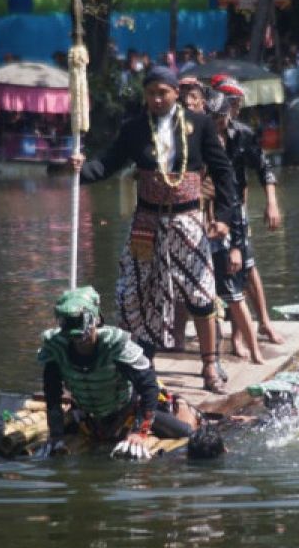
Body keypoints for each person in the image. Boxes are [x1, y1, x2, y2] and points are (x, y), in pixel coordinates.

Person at [69, 66, 242, 394]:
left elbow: (224, 173)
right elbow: (107, 164)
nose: (157, 99)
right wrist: (78, 169)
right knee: (134, 290)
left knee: (201, 292)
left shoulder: (200, 125)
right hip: (146, 225)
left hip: (188, 221)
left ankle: (209, 364)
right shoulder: (134, 129)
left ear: (176, 92)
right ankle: (140, 363)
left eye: (163, 92)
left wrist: (223, 216)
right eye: (151, 93)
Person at [38, 286, 196, 461]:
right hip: (89, 417)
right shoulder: (56, 347)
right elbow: (52, 395)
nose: (73, 329)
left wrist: (139, 432)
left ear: (94, 319)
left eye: (78, 320)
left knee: (188, 434)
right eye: (67, 321)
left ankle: (183, 408)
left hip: (127, 412)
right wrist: (56, 435)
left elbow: (149, 387)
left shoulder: (114, 345)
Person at [213, 79, 285, 346]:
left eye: (237, 104)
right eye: (233, 103)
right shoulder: (203, 131)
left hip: (235, 208)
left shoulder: (242, 133)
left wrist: (272, 202)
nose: (237, 109)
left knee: (246, 264)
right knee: (220, 267)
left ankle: (263, 323)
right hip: (209, 208)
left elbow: (264, 168)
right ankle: (234, 331)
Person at [203, 88, 263, 364]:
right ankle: (209, 357)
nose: (216, 126)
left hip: (222, 232)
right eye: (211, 120)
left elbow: (234, 202)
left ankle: (254, 350)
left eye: (220, 120)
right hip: (196, 229)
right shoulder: (195, 148)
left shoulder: (234, 142)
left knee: (235, 294)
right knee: (199, 296)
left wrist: (237, 246)